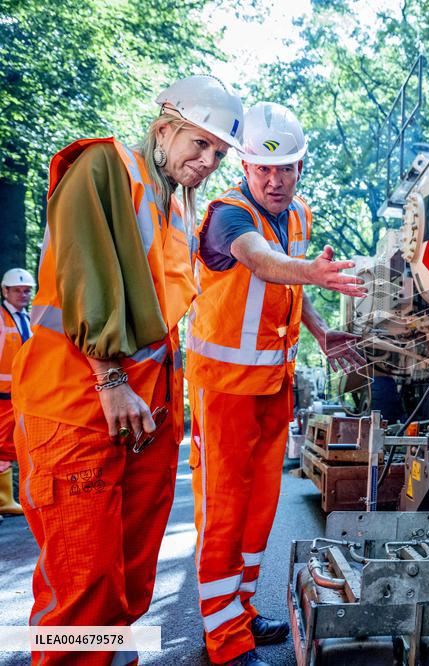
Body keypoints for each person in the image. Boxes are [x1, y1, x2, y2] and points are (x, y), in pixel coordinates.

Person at [11, 76, 243, 666]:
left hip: (137, 421)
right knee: (84, 593)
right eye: (200, 143)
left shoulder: (169, 204)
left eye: (219, 153)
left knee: (123, 585)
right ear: (165, 128)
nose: (208, 160)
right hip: (81, 413)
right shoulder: (103, 167)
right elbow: (81, 281)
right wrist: (110, 380)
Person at [185, 101, 366, 666]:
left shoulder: (297, 216)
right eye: (263, 169)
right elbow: (262, 263)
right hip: (224, 390)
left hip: (272, 387)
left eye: (284, 167)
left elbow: (288, 285)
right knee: (223, 511)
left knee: (259, 508)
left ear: (300, 168)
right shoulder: (228, 217)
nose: (274, 179)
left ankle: (241, 611)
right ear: (243, 168)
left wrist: (321, 330)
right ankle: (224, 636)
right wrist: (308, 268)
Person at [0, 267, 35, 520]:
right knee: (1, 446)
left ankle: (7, 499)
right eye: (17, 290)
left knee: (14, 446)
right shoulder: (1, 318)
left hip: (22, 395)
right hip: (2, 395)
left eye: (26, 291)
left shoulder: (29, 318)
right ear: (5, 291)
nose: (22, 295)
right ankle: (4, 500)